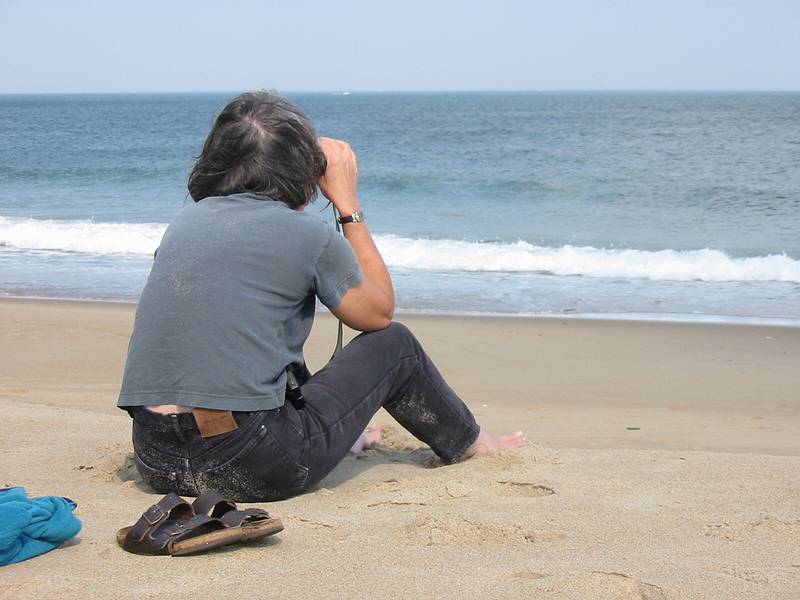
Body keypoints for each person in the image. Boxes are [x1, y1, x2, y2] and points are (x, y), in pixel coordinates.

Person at [117, 91, 527, 502]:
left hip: (157, 457)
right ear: (303, 167)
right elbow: (377, 314)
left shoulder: (184, 223)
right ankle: (470, 442)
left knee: (259, 340)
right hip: (251, 462)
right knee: (396, 345)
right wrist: (348, 203)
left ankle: (342, 435)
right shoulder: (304, 234)